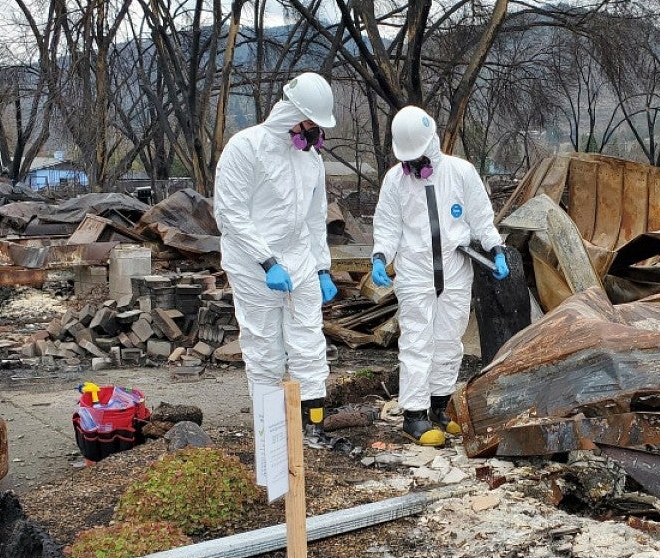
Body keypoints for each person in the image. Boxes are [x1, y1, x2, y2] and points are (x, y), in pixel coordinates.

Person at [213, 72, 342, 451]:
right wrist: (267, 262)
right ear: (294, 115)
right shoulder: (246, 148)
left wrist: (321, 267)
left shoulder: (310, 160)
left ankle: (311, 428)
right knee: (265, 349)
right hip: (253, 266)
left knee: (309, 344)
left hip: (299, 260)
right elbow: (230, 213)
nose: (316, 133)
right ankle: (271, 435)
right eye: (313, 125)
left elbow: (316, 218)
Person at [371, 106, 509, 447]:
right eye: (407, 160)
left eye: (416, 158)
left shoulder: (460, 173)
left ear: (429, 145)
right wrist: (379, 256)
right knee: (417, 343)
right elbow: (387, 227)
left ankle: (439, 408)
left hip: (455, 271)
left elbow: (480, 218)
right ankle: (414, 416)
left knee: (449, 341)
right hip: (415, 273)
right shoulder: (395, 180)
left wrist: (497, 249)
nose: (412, 167)